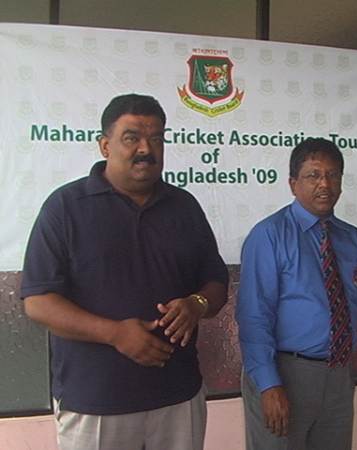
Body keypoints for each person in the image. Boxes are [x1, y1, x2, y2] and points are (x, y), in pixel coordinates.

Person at [20, 93, 229, 450]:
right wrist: (115, 334)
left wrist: (196, 304)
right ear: (104, 145)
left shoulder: (184, 206)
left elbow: (216, 282)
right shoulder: (65, 207)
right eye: (132, 137)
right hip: (95, 403)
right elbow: (38, 301)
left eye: (157, 138)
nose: (146, 149)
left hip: (178, 398)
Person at [235, 137, 357, 450]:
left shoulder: (350, 238)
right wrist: (269, 384)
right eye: (313, 175)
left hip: (338, 376)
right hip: (286, 373)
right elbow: (253, 317)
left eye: (333, 175)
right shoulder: (269, 236)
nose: (325, 184)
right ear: (292, 183)